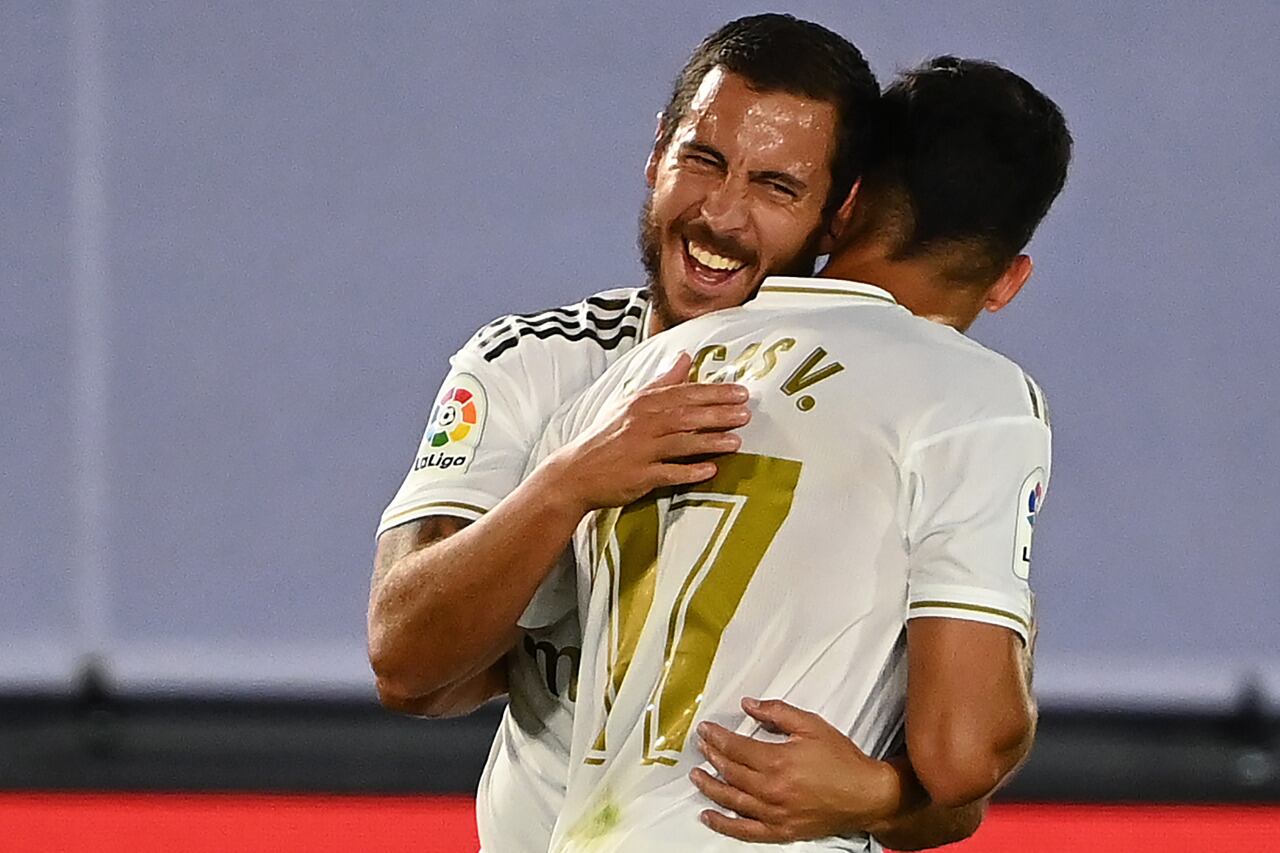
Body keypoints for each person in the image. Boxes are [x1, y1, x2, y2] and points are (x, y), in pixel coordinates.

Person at [368, 14, 983, 853]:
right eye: (703, 160)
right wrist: (569, 482)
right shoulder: (531, 365)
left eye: (777, 187)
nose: (720, 216)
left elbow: (957, 779)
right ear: (657, 153)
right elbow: (407, 665)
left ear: (839, 216)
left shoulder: (903, 413)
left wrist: (877, 792)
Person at [518, 56, 1071, 852]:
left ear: (843, 209)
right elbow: (962, 752)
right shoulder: (973, 397)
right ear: (1008, 281)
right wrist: (887, 788)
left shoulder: (636, 377)